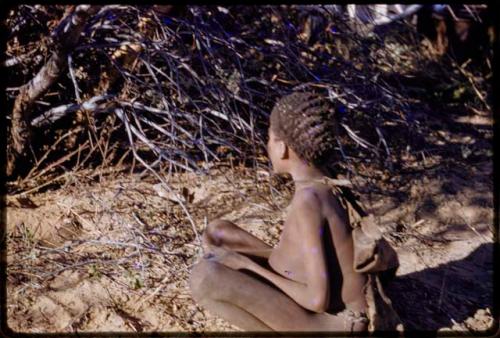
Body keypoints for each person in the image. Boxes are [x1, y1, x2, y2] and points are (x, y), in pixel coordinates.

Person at [189, 91, 369, 333]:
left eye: (270, 139)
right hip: (320, 292)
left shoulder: (308, 202)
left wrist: (248, 265)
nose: (268, 145)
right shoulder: (325, 181)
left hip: (337, 322)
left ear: (283, 148)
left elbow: (318, 300)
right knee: (218, 233)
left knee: (204, 278)